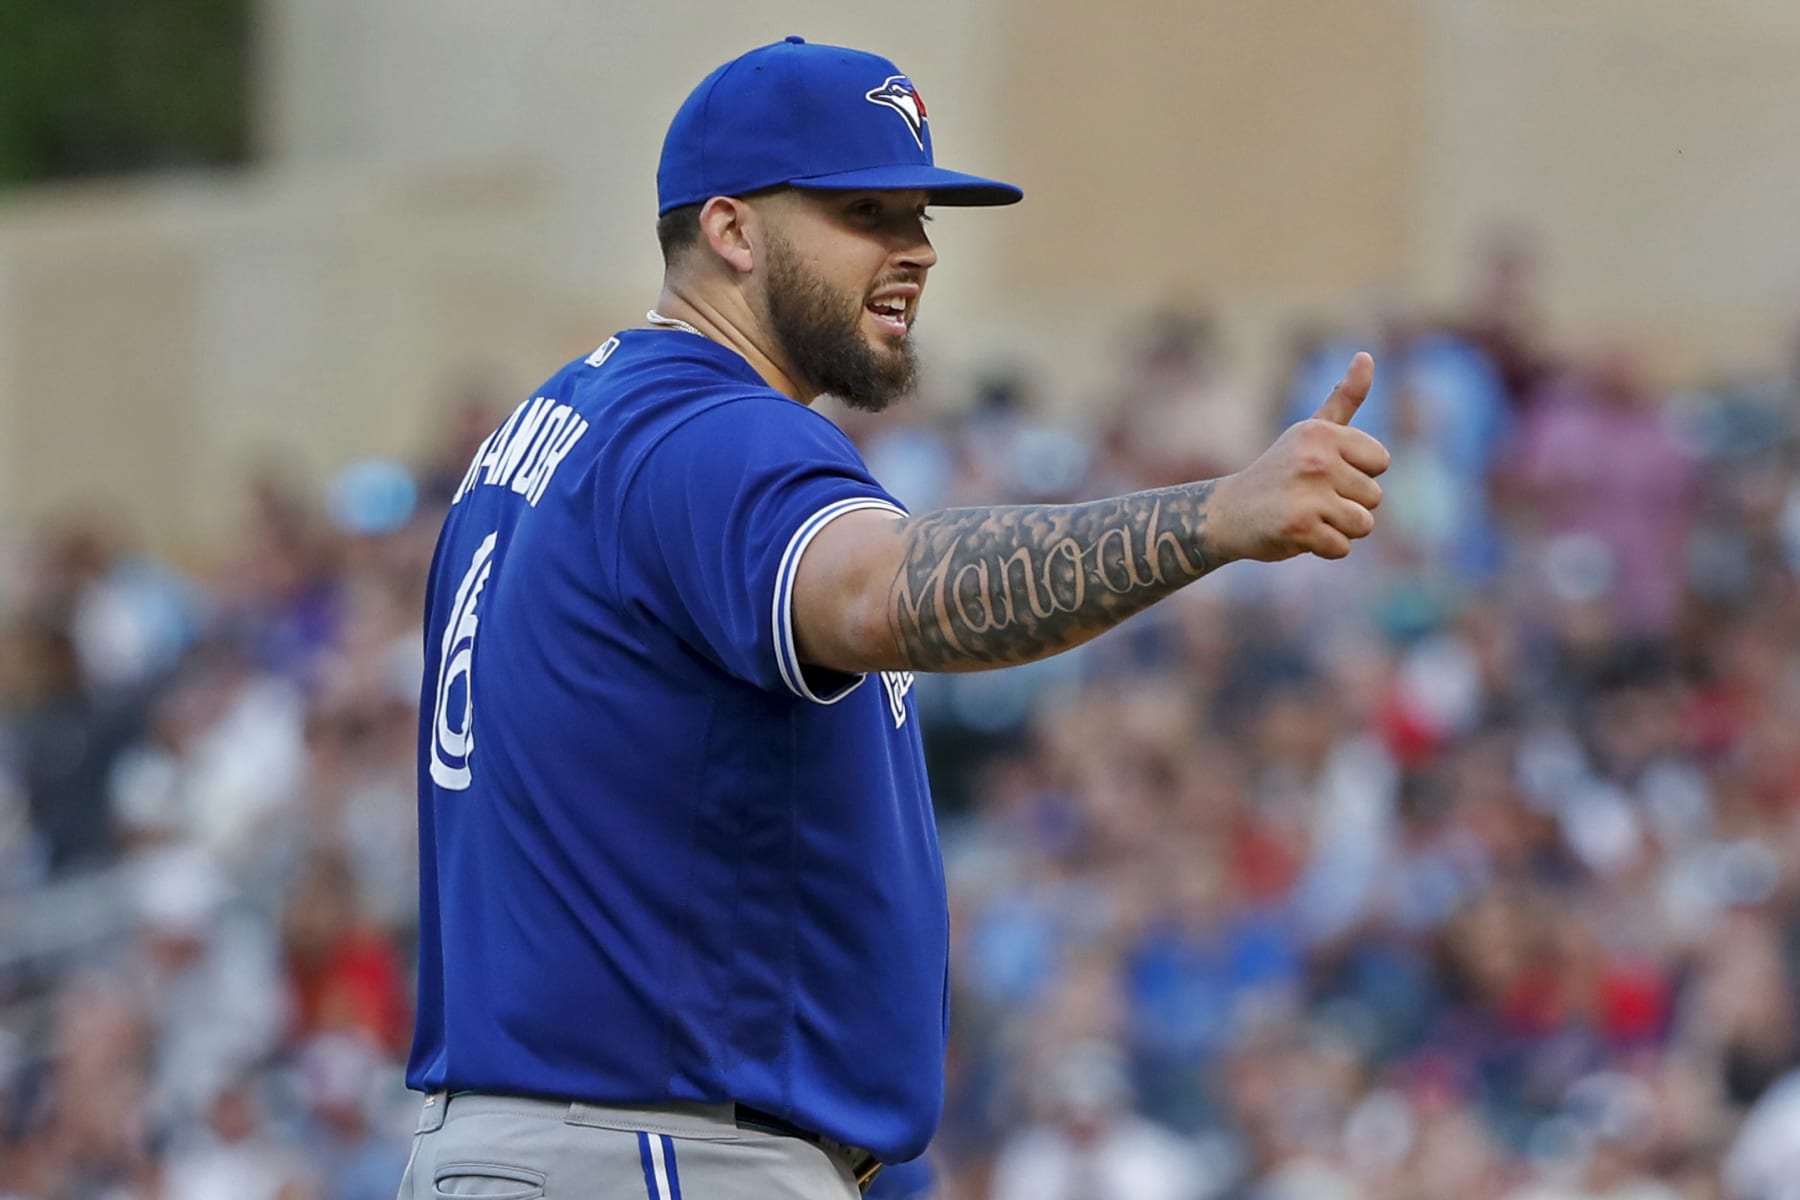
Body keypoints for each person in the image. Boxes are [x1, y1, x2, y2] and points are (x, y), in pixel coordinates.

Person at [398, 36, 1389, 1200]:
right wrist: (1219, 516)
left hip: (561, 1139)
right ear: (731, 230)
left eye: (920, 216)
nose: (914, 252)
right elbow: (876, 593)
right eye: (864, 211)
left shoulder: (560, 424)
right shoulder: (713, 434)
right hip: (658, 1149)